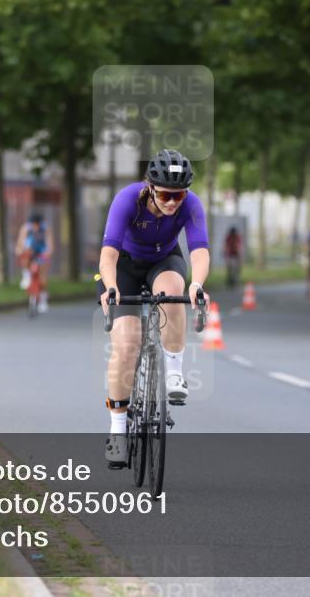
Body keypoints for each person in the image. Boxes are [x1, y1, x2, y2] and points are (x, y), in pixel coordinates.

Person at [97, 149, 210, 468]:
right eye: (165, 195)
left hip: (164, 260)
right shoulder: (127, 199)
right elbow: (108, 255)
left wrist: (197, 284)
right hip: (124, 266)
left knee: (174, 292)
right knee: (127, 344)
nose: (173, 202)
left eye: (179, 195)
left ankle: (175, 373)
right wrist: (110, 287)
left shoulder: (191, 203)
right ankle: (117, 431)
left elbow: (199, 250)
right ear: (150, 187)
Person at [15, 213, 53, 313]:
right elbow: (21, 241)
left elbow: (49, 243)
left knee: (43, 275)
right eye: (34, 224)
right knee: (25, 255)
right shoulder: (26, 228)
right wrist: (19, 250)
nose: (35, 226)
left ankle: (43, 300)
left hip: (41, 250)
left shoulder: (45, 228)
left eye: (37, 224)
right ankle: (26, 274)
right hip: (30, 248)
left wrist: (48, 252)